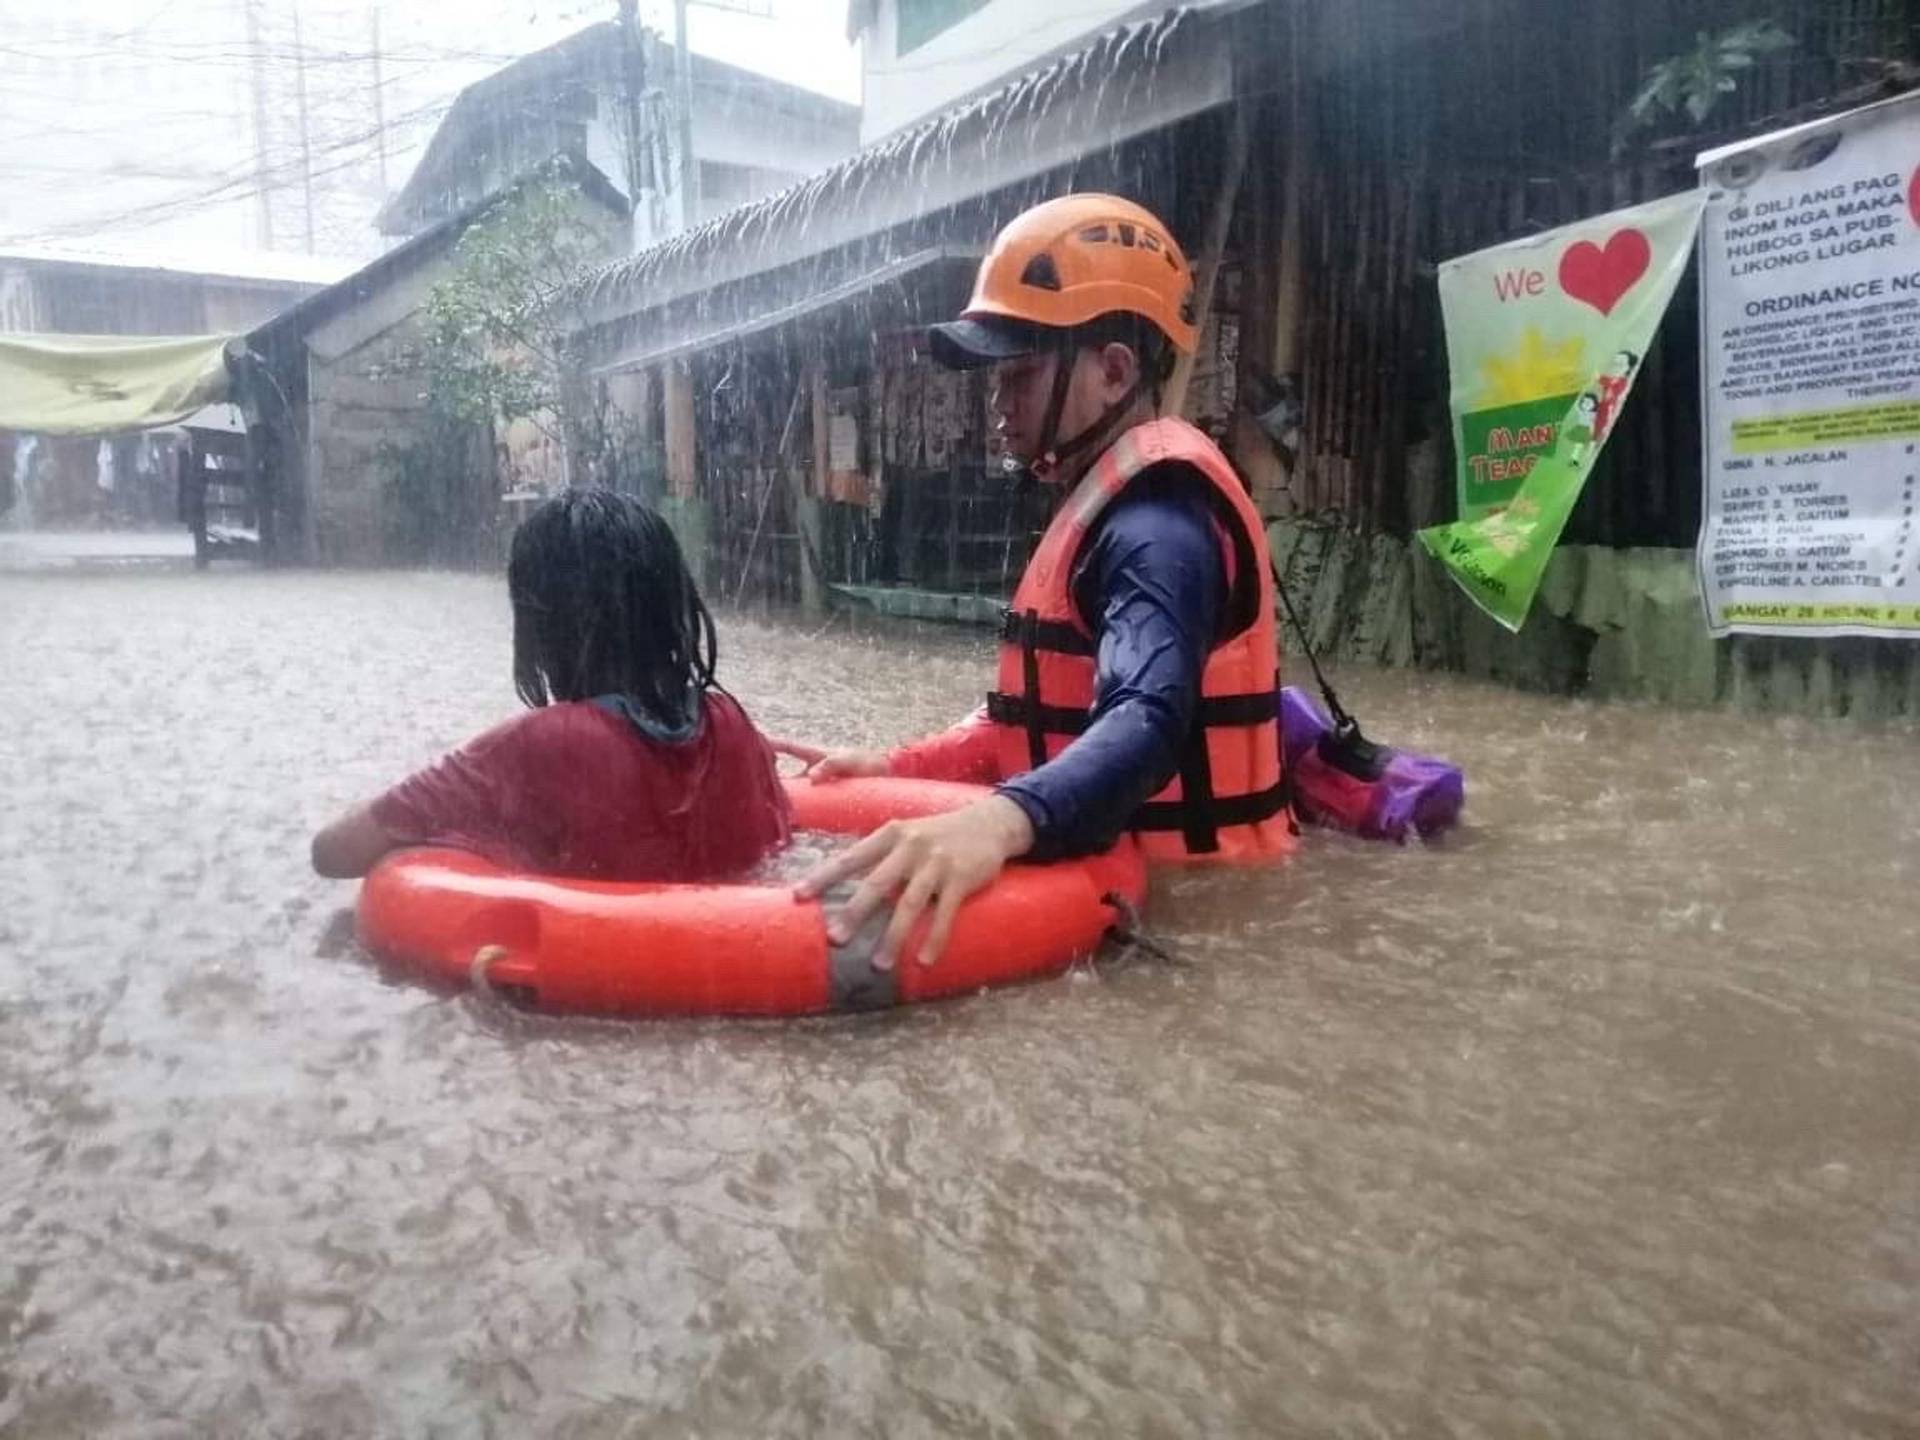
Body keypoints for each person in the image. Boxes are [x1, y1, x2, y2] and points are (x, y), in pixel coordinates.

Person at [776, 193, 1293, 971]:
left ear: (1113, 372)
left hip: (1197, 918)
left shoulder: (1157, 528)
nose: (997, 407)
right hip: (1137, 886)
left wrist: (998, 822)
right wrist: (895, 767)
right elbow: (1029, 724)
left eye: (1017, 377)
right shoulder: (1107, 502)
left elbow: (1148, 720)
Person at [312, 489, 790, 881]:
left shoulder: (548, 742)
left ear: (540, 625)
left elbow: (333, 853)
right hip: (731, 964)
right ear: (675, 605)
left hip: (597, 987)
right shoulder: (732, 726)